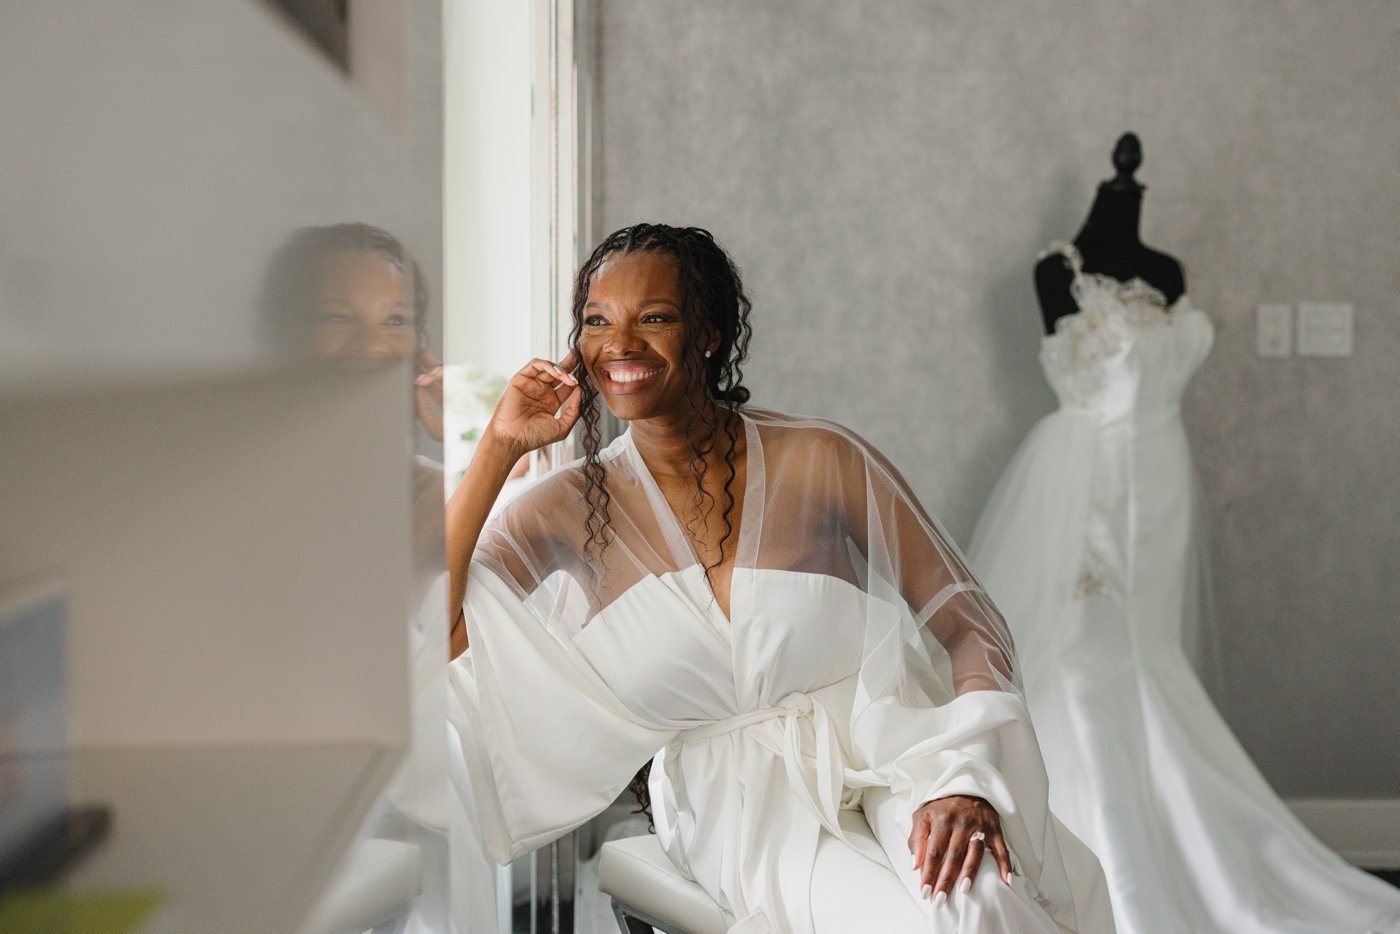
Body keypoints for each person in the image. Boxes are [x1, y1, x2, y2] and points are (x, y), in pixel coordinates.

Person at [445, 224, 1115, 933]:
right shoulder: (568, 507)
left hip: (891, 746)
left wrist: (967, 776)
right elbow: (436, 629)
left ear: (707, 333)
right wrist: (500, 445)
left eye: (655, 318)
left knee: (980, 899)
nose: (621, 345)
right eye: (597, 321)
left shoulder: (822, 458)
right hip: (741, 804)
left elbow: (968, 622)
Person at [968, 141, 1400, 933]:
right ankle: (1105, 846)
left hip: (1164, 484)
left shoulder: (1167, 272)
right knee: (1085, 655)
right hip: (1085, 481)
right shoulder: (1054, 272)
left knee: (1148, 649)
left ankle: (1184, 831)